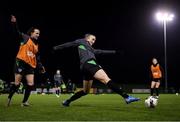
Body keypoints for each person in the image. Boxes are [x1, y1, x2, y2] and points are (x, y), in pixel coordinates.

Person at [53, 33, 140, 107]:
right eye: (92, 39)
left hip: (84, 68)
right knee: (106, 79)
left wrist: (115, 52)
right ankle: (127, 97)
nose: (93, 41)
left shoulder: (91, 49)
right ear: (87, 38)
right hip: (90, 64)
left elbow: (101, 51)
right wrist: (56, 48)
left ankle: (67, 101)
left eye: (94, 40)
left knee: (85, 91)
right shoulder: (82, 41)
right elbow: (70, 44)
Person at [7, 15, 45, 107]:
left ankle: (24, 102)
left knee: (31, 84)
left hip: (30, 65)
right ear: (31, 33)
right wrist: (14, 23)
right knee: (17, 84)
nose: (38, 35)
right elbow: (16, 32)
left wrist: (41, 67)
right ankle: (9, 98)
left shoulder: (36, 45)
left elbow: (37, 58)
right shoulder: (25, 37)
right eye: (36, 33)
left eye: (39, 34)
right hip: (20, 62)